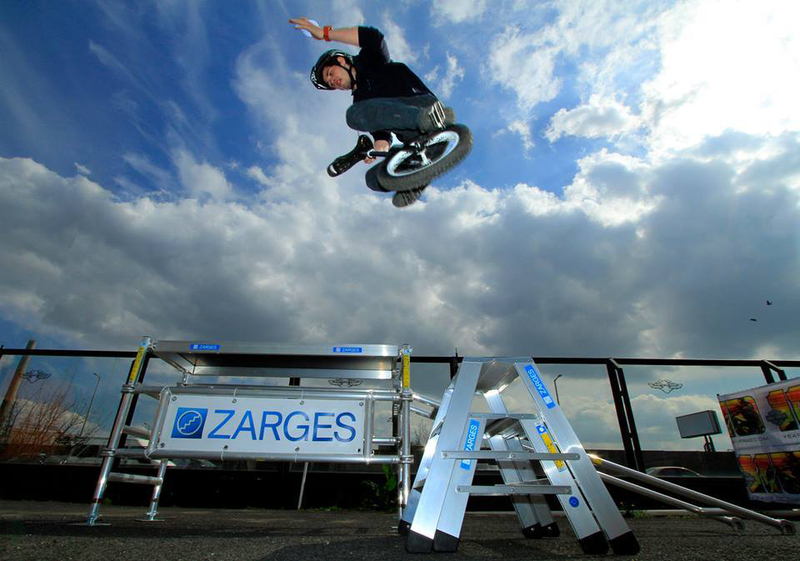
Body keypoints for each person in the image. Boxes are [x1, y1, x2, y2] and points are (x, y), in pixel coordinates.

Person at [289, 17, 453, 207]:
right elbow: (382, 136)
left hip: (426, 108)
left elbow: (374, 38)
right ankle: (416, 177)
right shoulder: (362, 103)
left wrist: (325, 33)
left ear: (341, 61)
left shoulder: (370, 61)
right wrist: (375, 150)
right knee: (374, 179)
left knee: (354, 115)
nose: (332, 81)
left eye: (330, 73)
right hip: (421, 143)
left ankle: (426, 119)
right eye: (329, 83)